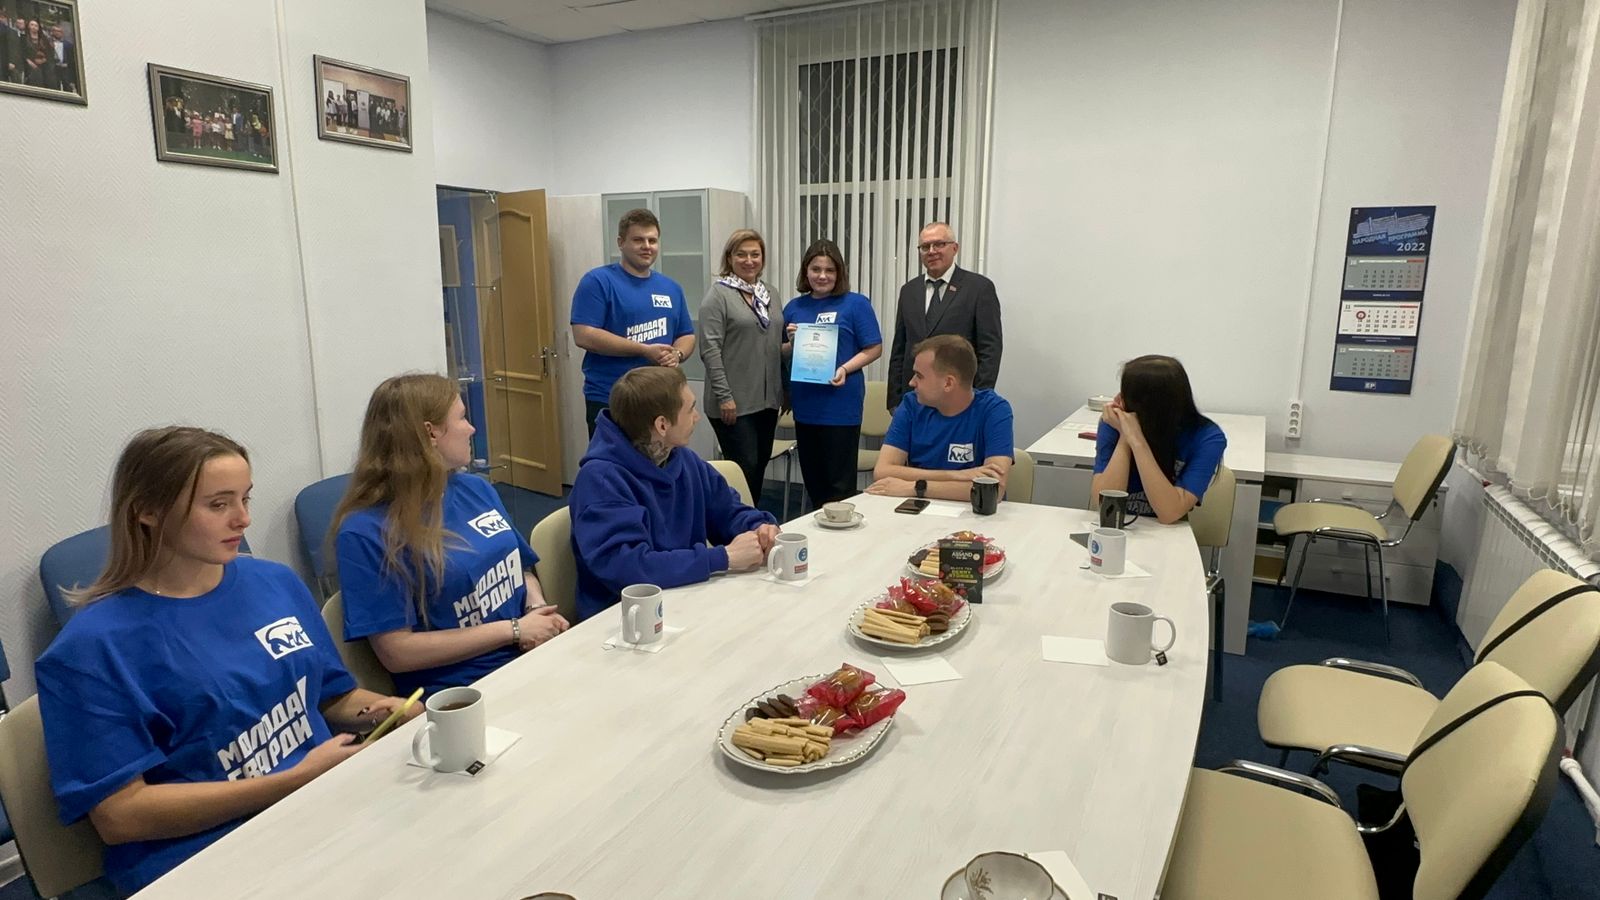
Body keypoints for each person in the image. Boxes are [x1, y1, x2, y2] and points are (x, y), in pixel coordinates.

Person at [34, 427, 418, 895]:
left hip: (319, 808)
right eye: (218, 505)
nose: (243, 519)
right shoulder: (91, 650)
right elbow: (121, 816)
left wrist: (384, 711)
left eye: (245, 499)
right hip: (203, 857)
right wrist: (292, 780)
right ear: (147, 511)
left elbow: (329, 697)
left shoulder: (274, 583)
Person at [333, 374, 569, 697]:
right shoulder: (366, 533)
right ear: (430, 433)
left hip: (527, 655)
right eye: (461, 418)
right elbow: (397, 652)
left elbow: (520, 567)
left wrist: (535, 610)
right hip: (463, 691)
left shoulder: (476, 489)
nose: (472, 429)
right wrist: (513, 630)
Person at [569, 366, 779, 621]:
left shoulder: (683, 459)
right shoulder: (601, 481)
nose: (697, 417)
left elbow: (727, 511)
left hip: (684, 597)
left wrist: (759, 528)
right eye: (690, 409)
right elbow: (629, 569)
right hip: (625, 619)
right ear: (662, 425)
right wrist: (721, 558)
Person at [571, 208, 696, 437]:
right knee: (615, 459)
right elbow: (584, 334)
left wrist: (676, 354)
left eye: (652, 240)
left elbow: (686, 334)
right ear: (621, 242)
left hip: (661, 397)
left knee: (659, 458)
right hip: (612, 398)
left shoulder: (671, 288)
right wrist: (643, 350)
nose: (647, 246)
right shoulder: (598, 281)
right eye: (638, 240)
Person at [783, 239, 882, 508]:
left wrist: (845, 368)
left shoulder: (856, 304)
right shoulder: (794, 308)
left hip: (841, 405)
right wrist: (792, 343)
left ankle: (842, 533)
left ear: (839, 273)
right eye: (816, 269)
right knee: (814, 484)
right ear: (806, 271)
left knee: (839, 488)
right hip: (806, 406)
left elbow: (874, 347)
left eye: (830, 270)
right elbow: (780, 352)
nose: (822, 276)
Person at [697, 228, 785, 507]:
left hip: (767, 401)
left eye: (755, 254)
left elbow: (772, 346)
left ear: (763, 258)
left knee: (758, 467)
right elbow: (710, 350)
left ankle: (751, 520)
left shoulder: (770, 294)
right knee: (743, 468)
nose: (749, 260)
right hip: (733, 402)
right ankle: (735, 523)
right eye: (741, 254)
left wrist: (798, 344)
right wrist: (725, 396)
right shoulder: (718, 295)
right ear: (730, 258)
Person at [868, 335, 1014, 501]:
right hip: (920, 508)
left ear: (948, 383)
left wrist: (917, 487)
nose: (911, 382)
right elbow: (882, 471)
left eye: (919, 376)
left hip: (972, 512)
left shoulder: (994, 410)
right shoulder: (911, 404)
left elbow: (992, 490)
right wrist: (957, 475)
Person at [1090, 354, 1227, 524]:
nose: (1118, 400)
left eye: (1125, 394)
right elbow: (1104, 503)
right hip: (1116, 528)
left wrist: (1136, 440)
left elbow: (1169, 513)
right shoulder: (1115, 424)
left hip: (1168, 533)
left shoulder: (1207, 437)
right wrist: (1125, 438)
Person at [886, 222, 1003, 410]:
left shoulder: (979, 288)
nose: (932, 251)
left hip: (958, 400)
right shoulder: (909, 290)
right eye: (925, 247)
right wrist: (894, 401)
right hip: (913, 399)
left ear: (955, 248)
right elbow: (899, 348)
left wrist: (978, 399)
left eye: (939, 244)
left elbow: (990, 350)